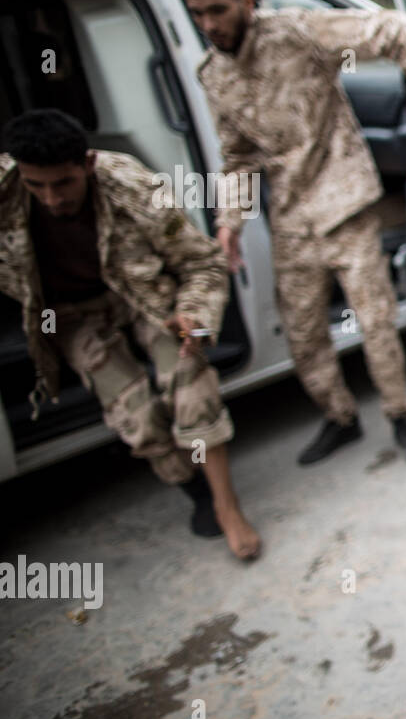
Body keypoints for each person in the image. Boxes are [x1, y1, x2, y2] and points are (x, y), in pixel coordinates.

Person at [180, 0, 406, 467]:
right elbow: (238, 157)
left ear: (245, 2)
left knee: (375, 321)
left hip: (344, 203)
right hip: (291, 219)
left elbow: (393, 29)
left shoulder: (299, 31)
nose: (209, 24)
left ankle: (400, 414)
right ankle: (340, 417)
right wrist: (229, 223)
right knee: (303, 334)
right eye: (198, 14)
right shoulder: (213, 75)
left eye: (218, 10)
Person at [0, 110, 261, 560]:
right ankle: (195, 490)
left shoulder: (136, 188)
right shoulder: (5, 194)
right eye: (35, 185)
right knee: (138, 416)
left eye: (63, 183)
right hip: (69, 314)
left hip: (145, 298)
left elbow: (202, 263)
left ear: (87, 164)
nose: (50, 199)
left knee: (191, 384)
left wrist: (192, 316)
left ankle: (226, 504)